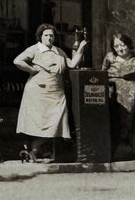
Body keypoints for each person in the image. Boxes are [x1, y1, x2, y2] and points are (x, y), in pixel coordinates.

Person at [13, 23, 85, 162]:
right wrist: (32, 70)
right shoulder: (34, 49)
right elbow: (17, 61)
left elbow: (71, 64)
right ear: (40, 37)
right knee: (40, 122)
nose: (49, 38)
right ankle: (34, 148)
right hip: (39, 91)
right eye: (46, 35)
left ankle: (35, 147)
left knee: (56, 121)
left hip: (56, 92)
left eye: (51, 35)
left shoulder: (59, 51)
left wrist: (80, 48)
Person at [102, 33, 135, 154]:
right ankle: (113, 146)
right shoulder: (109, 57)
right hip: (112, 90)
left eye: (122, 45)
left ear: (128, 44)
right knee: (113, 118)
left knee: (128, 118)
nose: (120, 48)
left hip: (130, 92)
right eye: (116, 46)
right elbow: (102, 72)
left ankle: (127, 145)